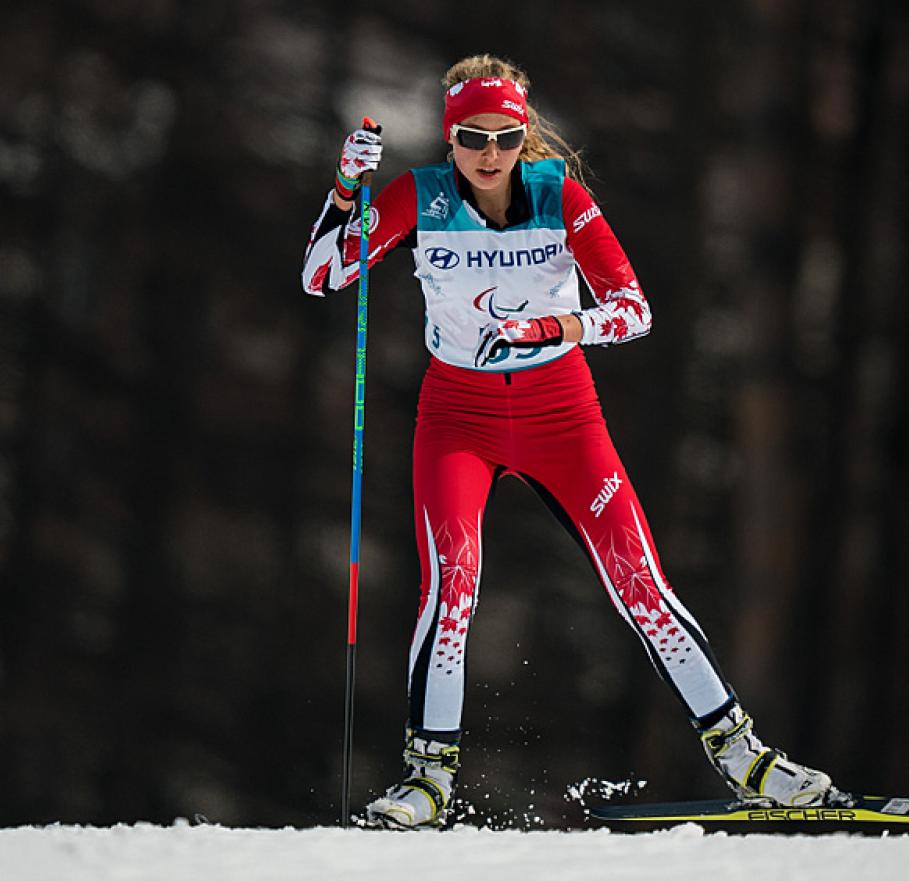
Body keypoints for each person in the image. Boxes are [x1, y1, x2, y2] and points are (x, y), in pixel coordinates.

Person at [302, 54, 834, 829]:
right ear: (450, 139)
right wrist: (346, 191)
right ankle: (428, 779)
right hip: (459, 415)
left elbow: (634, 308)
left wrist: (554, 325)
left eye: (507, 137)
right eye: (472, 137)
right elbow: (322, 275)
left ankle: (747, 757)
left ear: (526, 136)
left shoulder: (560, 196)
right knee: (453, 586)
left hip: (562, 413)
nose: (490, 154)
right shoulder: (419, 195)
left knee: (640, 583)